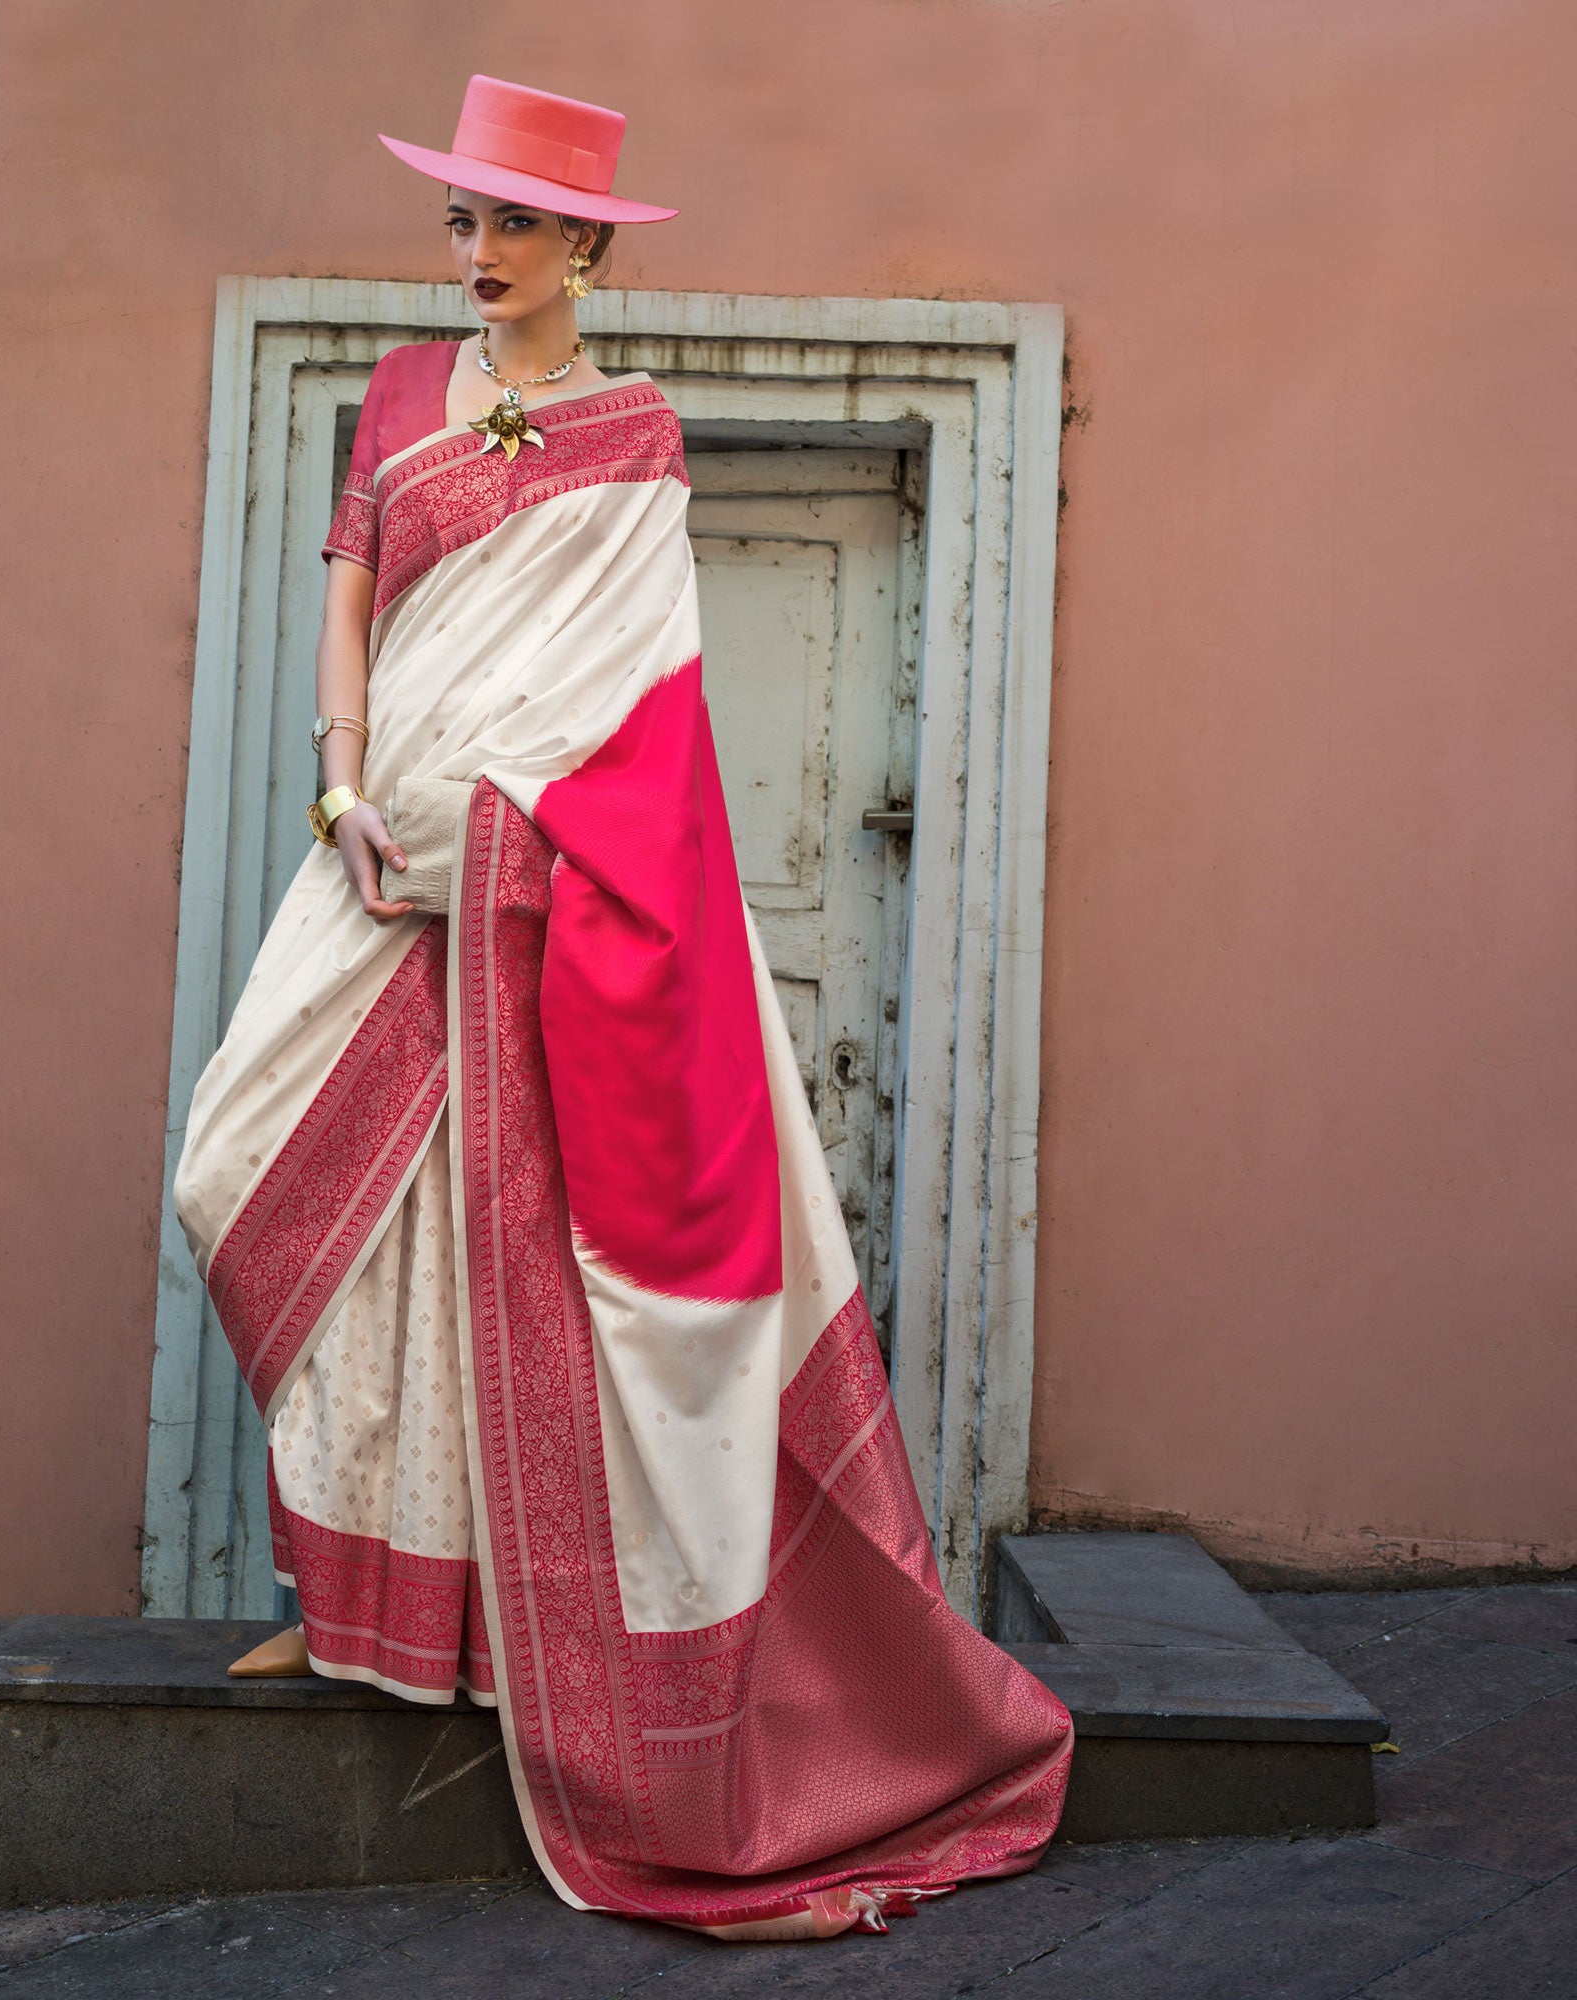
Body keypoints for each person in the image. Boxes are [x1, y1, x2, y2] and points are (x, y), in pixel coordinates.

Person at [172, 71, 1073, 1944]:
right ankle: (358, 1600)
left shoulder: (636, 433)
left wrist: (505, 836)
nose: (480, 252)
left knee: (477, 1245)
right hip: (377, 863)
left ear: (585, 240)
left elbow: (642, 706)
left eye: (515, 222)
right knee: (248, 1179)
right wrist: (344, 793)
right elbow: (350, 604)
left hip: (532, 885)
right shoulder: (401, 399)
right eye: (464, 219)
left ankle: (459, 1633)